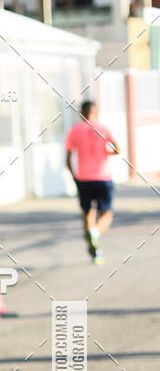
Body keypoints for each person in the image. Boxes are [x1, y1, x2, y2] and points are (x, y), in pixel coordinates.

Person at [65, 100, 120, 264]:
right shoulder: (103, 129)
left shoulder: (74, 131)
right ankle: (95, 232)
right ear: (95, 112)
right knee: (107, 213)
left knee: (87, 213)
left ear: (81, 113)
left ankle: (95, 251)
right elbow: (117, 149)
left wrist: (74, 176)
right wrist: (105, 154)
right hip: (103, 177)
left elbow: (67, 158)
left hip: (83, 179)